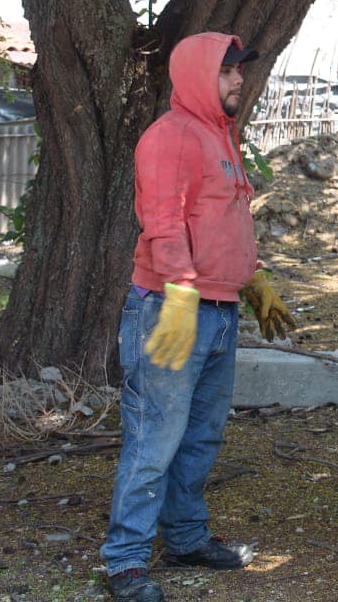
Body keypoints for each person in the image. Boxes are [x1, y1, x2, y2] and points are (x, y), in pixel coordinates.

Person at [101, 32, 296, 602]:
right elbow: (162, 222)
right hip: (170, 309)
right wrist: (182, 294)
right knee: (153, 439)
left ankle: (184, 538)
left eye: (239, 70)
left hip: (217, 311)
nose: (239, 79)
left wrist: (252, 278)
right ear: (196, 75)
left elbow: (221, 222)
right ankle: (126, 561)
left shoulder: (220, 136)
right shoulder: (170, 137)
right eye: (227, 70)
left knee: (201, 436)